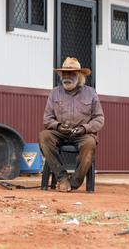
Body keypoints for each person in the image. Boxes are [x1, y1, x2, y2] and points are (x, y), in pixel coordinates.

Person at [39, 57, 104, 192]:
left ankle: (73, 182)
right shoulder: (54, 93)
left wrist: (84, 128)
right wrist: (58, 126)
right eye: (64, 74)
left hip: (83, 133)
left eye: (71, 74)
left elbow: (99, 119)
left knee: (90, 145)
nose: (67, 77)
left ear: (79, 76)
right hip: (60, 132)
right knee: (44, 137)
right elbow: (47, 118)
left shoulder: (91, 93)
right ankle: (62, 178)